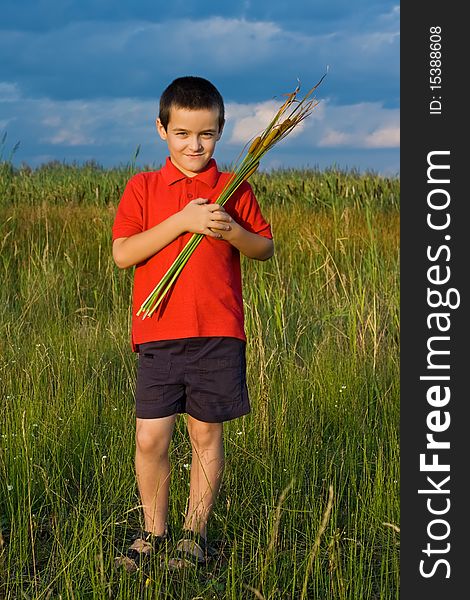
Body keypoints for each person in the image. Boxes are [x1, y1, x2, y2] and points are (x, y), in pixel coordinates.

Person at [112, 76, 274, 571]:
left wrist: (234, 231)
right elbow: (123, 254)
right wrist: (182, 221)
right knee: (150, 437)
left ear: (220, 132)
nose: (194, 145)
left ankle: (193, 535)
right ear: (161, 129)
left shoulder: (233, 186)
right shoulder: (143, 188)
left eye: (205, 134)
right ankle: (152, 533)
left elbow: (264, 248)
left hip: (217, 332)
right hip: (159, 332)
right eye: (182, 133)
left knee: (205, 435)